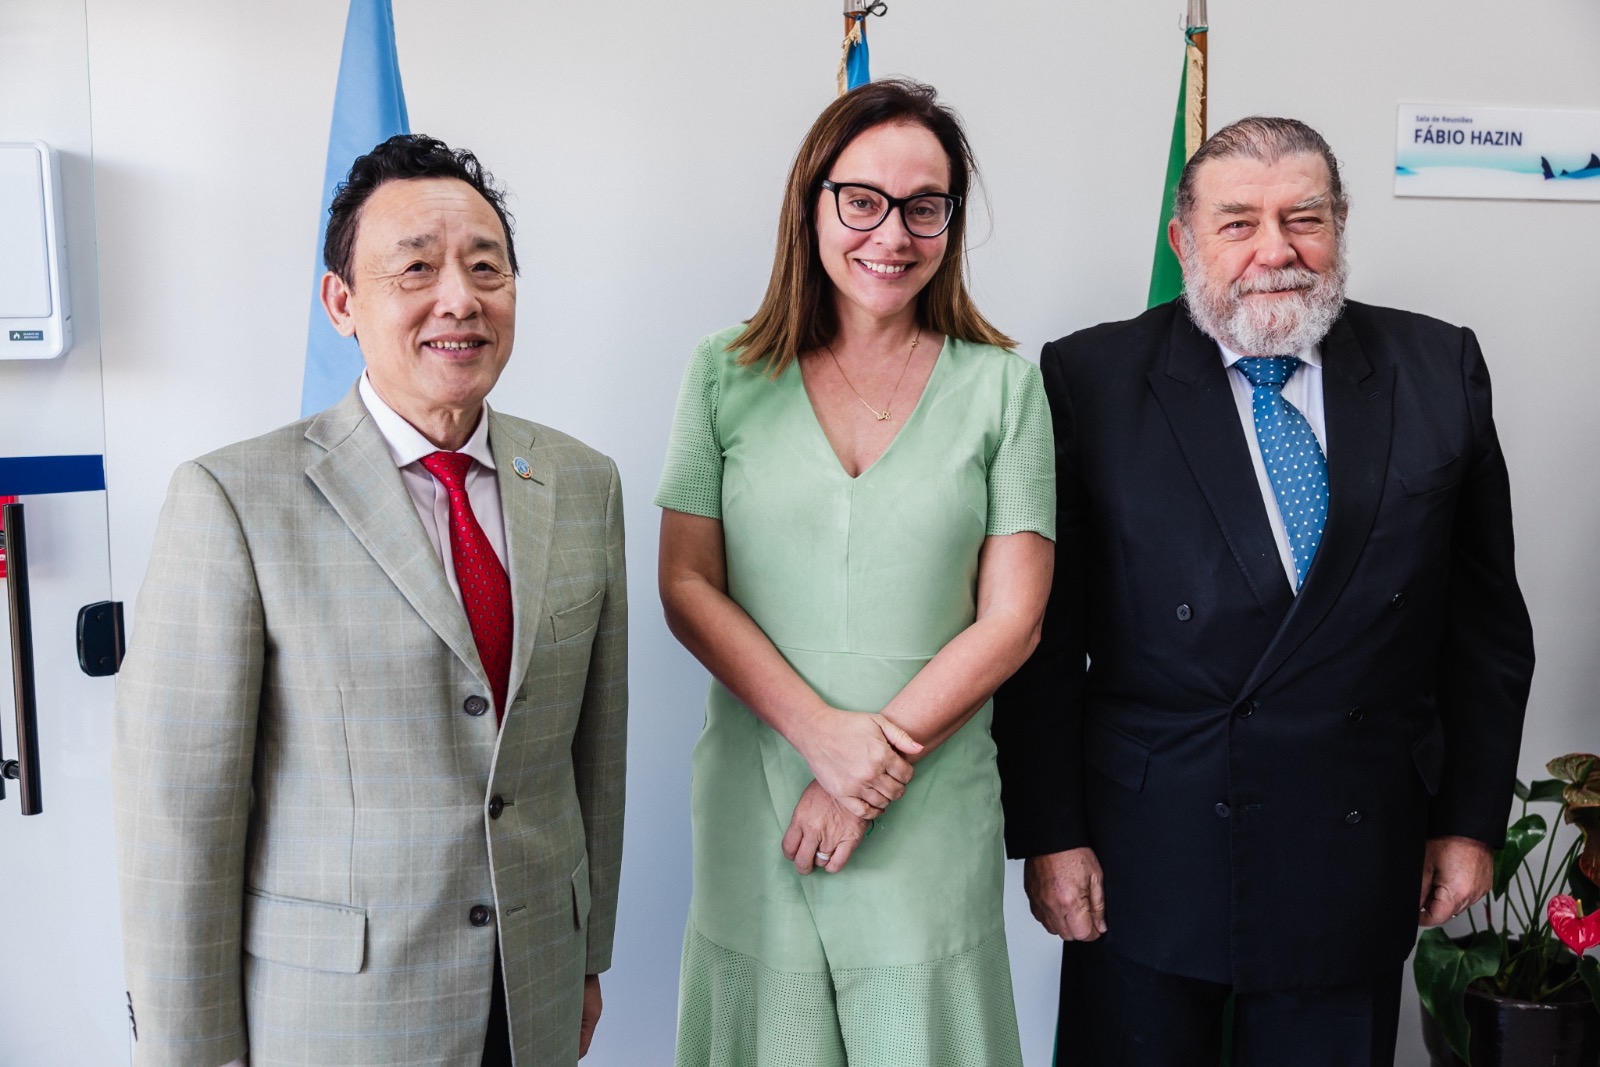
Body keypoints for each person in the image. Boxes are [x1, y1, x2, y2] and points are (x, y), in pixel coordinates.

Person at [994, 116, 1536, 1066]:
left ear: (1340, 227)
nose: (1276, 250)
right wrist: (1051, 832)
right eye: (1239, 222)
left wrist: (1466, 820)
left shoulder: (1438, 367)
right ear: (1184, 241)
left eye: (1305, 218)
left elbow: (1484, 628)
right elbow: (1041, 635)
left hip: (1354, 849)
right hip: (1149, 851)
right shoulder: (1091, 377)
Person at [112, 135, 627, 1067]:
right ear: (342, 302)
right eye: (416, 268)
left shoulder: (584, 482)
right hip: (338, 1016)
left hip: (533, 992)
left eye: (486, 267)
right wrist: (189, 1049)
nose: (459, 299)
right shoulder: (233, 499)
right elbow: (181, 810)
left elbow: (595, 752)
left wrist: (587, 954)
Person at [656, 79, 1054, 1066]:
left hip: (930, 806)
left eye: (925, 206)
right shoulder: (721, 371)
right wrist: (821, 738)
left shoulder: (1005, 386)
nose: (893, 234)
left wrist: (866, 775)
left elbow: (1014, 619)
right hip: (756, 795)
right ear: (813, 202)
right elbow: (687, 585)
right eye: (863, 200)